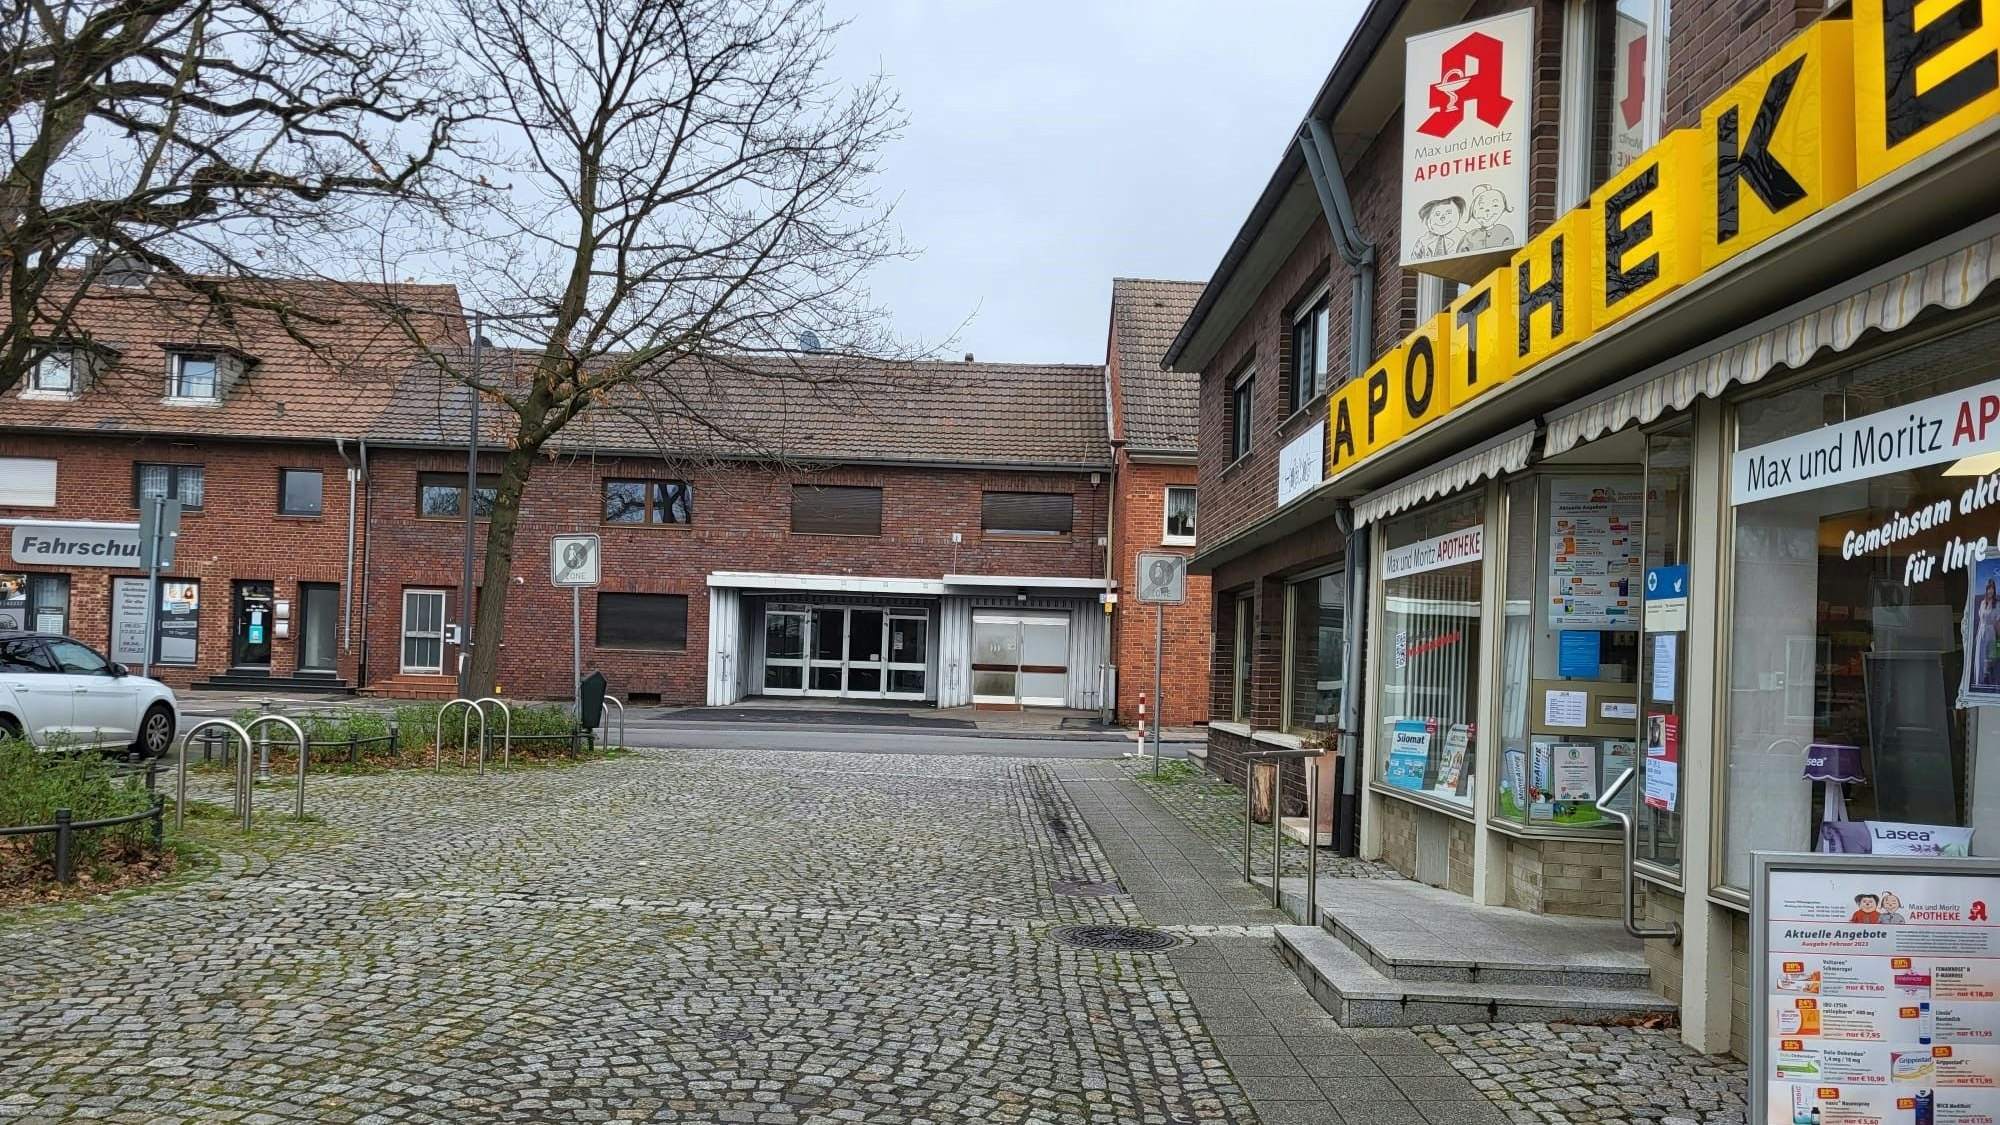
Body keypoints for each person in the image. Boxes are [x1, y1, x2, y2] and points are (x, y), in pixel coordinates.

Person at [1457, 185, 1517, 252]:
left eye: (1494, 205)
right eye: (1481, 207)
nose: (1487, 210)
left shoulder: (1504, 231)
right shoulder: (1469, 237)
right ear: (1473, 211)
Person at [1977, 579, 2000, 687]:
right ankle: (1981, 680)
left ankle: (1990, 680)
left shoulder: (1997, 604)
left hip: (1991, 632)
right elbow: (1981, 620)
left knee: (1991, 657)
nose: (1990, 590)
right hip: (1982, 632)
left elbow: (1997, 623)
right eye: (1988, 588)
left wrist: (1998, 639)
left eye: (1992, 588)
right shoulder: (1982, 603)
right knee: (1981, 656)